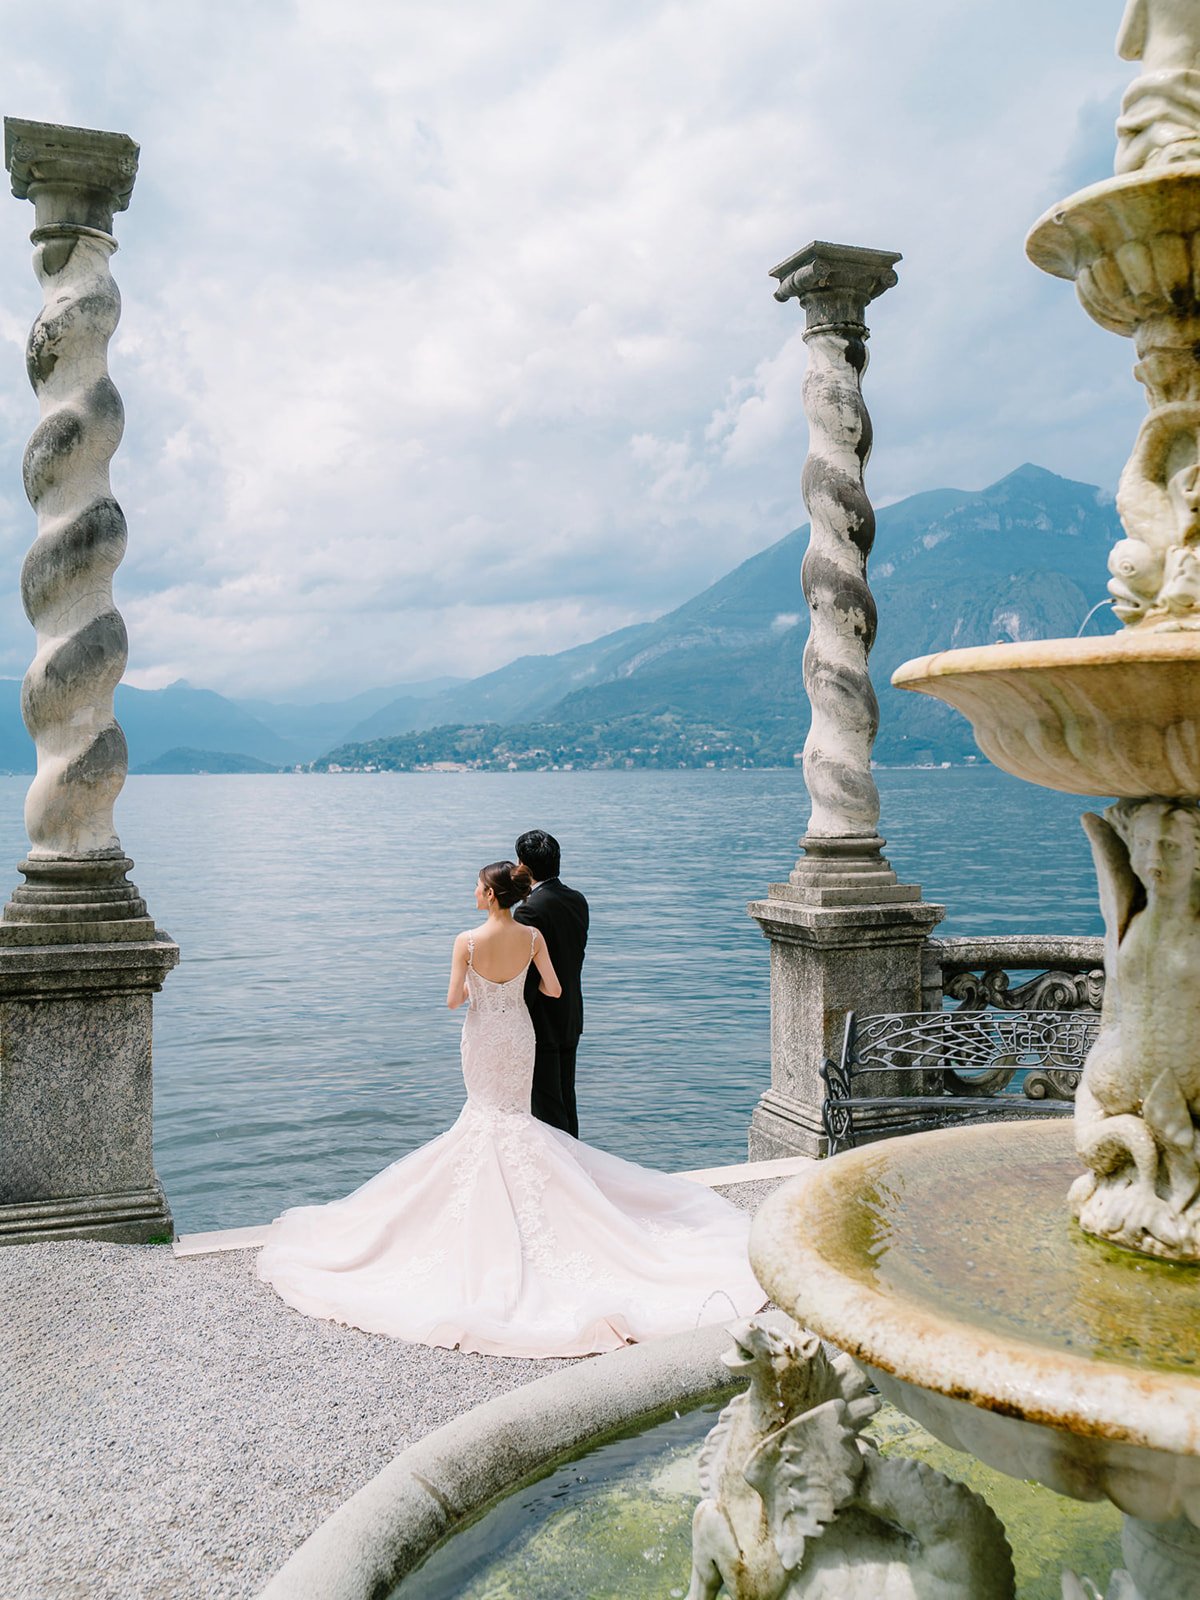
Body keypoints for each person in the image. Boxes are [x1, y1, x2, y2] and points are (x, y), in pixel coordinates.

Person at [256, 859, 763, 1358]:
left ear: (491, 895)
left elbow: (454, 1000)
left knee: (483, 1119)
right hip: (520, 1035)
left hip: (483, 1036)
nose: (473, 892)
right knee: (516, 1121)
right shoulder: (532, 938)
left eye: (478, 886)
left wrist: (479, 991)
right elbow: (554, 988)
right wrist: (516, 992)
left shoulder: (466, 941)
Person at [512, 829, 588, 1136]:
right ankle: (577, 1169)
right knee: (566, 1099)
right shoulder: (577, 900)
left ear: (524, 866)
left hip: (541, 1020)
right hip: (570, 1013)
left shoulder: (529, 911)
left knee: (545, 1106)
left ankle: (560, 1176)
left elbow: (527, 976)